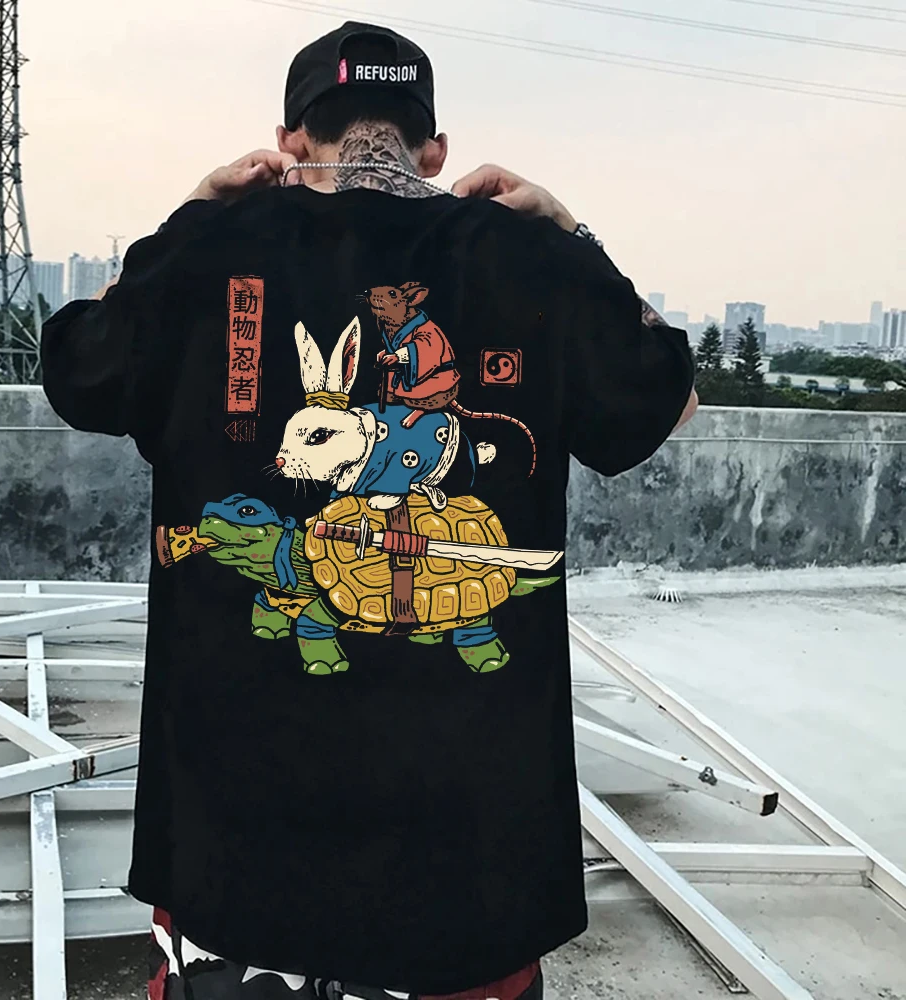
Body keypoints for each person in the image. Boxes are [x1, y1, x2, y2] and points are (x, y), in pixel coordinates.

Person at [41, 20, 697, 1000]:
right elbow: (668, 400)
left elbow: (77, 369)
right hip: (470, 878)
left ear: (289, 139)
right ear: (433, 149)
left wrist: (193, 212)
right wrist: (568, 229)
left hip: (235, 859)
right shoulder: (531, 259)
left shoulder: (206, 252)